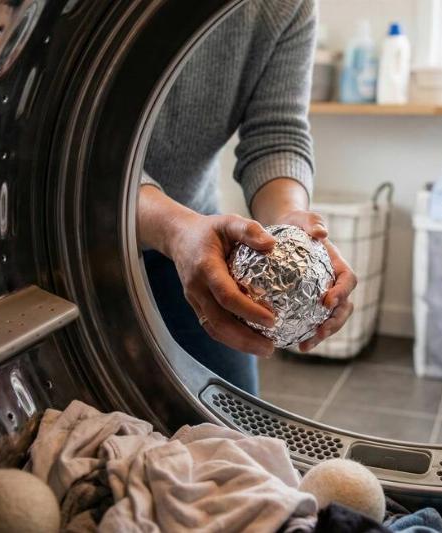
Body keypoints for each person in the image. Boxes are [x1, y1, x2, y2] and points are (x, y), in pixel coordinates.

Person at [136, 0, 356, 395]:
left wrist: (291, 221)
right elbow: (67, 140)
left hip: (197, 244)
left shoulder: (284, 6)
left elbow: (275, 133)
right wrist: (173, 228)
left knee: (235, 420)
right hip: (70, 229)